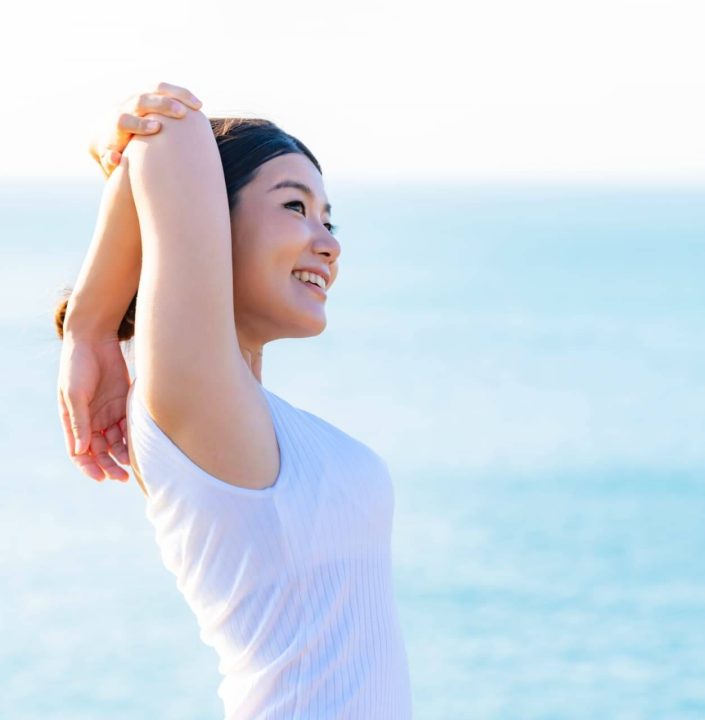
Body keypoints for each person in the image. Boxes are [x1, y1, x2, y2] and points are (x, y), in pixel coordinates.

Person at [54, 82, 413, 718]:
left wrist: (120, 152)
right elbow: (175, 127)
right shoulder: (198, 399)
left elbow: (161, 138)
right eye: (295, 207)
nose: (328, 242)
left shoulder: (243, 411)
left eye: (328, 218)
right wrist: (89, 327)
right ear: (209, 220)